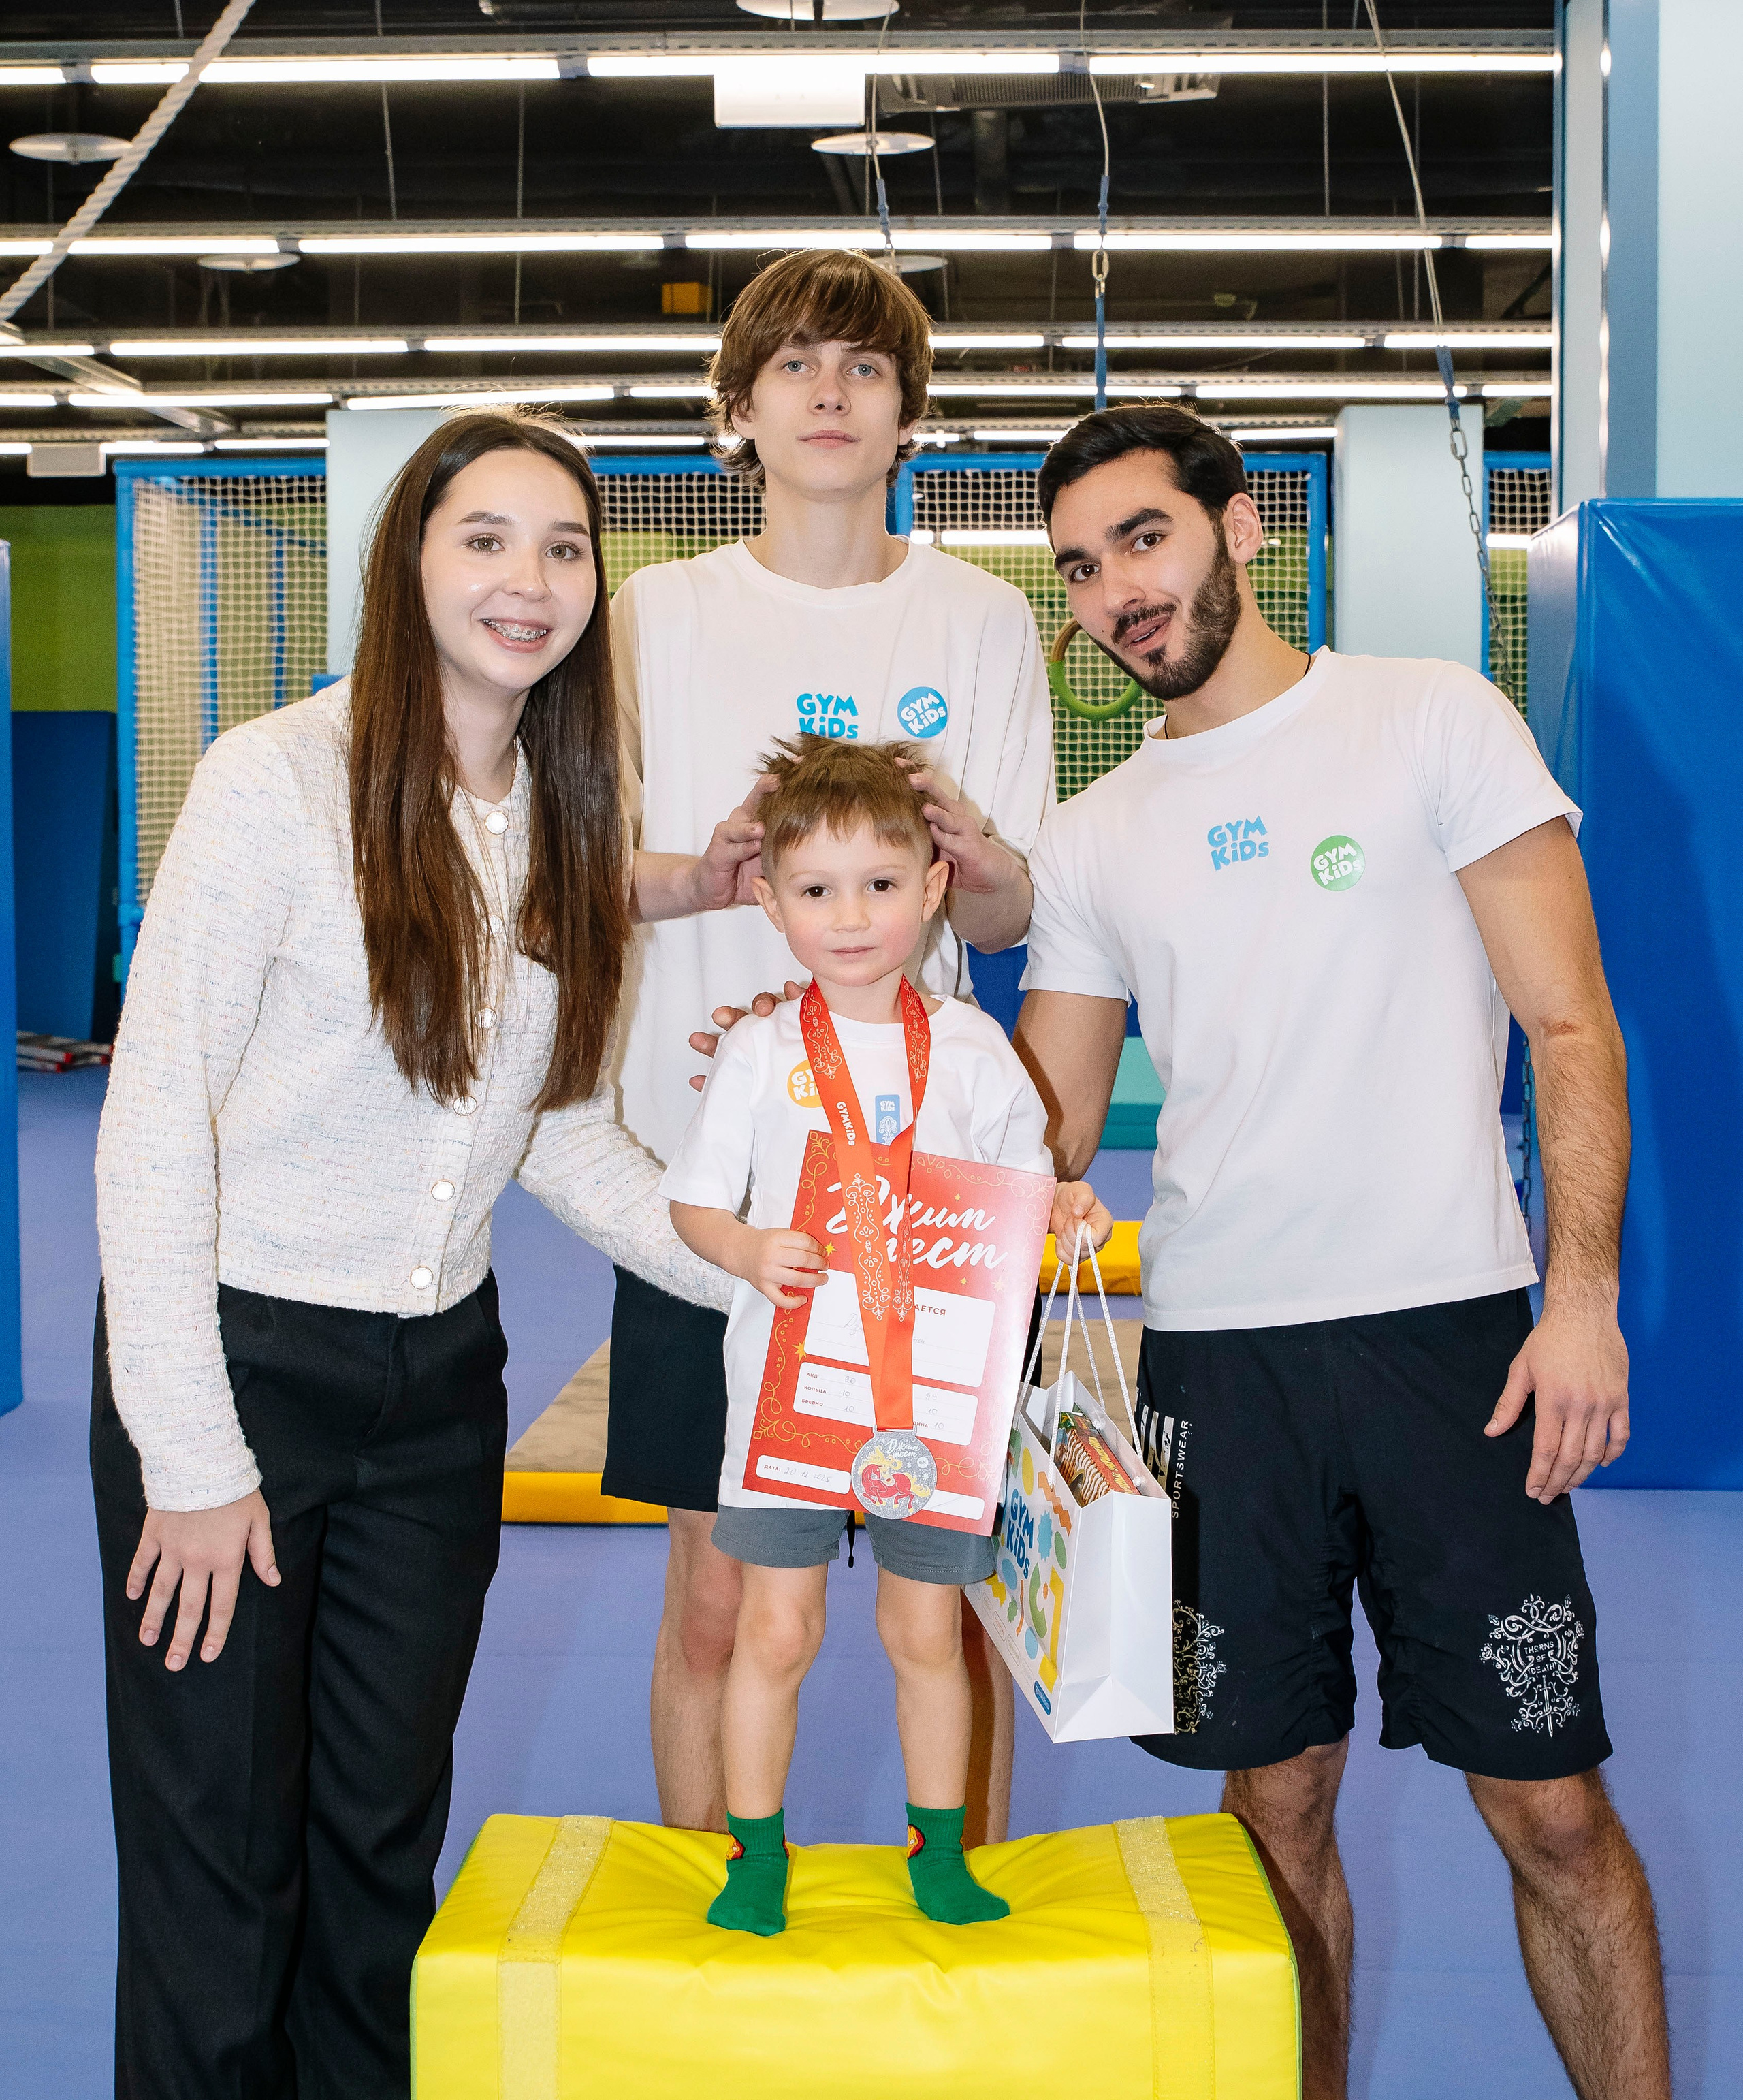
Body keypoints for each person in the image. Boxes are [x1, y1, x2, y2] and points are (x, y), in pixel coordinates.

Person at [91, 410, 759, 2100]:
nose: (525, 581)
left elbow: (552, 1131)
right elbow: (155, 1122)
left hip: (438, 1396)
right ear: (409, 562)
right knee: (219, 1862)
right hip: (239, 1376)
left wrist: (771, 1268)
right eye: (484, 539)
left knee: (383, 1844)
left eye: (559, 547)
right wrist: (190, 1453)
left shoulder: (557, 816)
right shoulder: (274, 782)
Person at [1009, 402, 1668, 2100]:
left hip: (1450, 1344)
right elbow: (1045, 1129)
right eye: (1078, 569)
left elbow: (1570, 1025)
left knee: (1549, 1806)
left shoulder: (1428, 719)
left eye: (1141, 538)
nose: (1114, 592)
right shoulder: (1095, 835)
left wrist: (1577, 1299)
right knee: (1269, 1807)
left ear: (1241, 528)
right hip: (1217, 1371)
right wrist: (833, 1066)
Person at [605, 247, 1055, 1839]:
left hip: (926, 1201)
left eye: (862, 368)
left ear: (907, 413)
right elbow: (573, 873)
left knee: (943, 1612)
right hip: (725, 1191)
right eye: (791, 366)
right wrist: (707, 874)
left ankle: (961, 1916)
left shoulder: (985, 619)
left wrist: (975, 844)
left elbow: (1003, 920)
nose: (826, 393)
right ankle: (708, 1905)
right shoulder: (649, 613)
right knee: (722, 1607)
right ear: (736, 410)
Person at [663, 735, 1109, 1935]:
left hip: (936, 1411)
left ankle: (939, 1853)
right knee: (776, 1626)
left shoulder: (970, 1047)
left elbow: (1025, 1187)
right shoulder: (760, 1053)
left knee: (930, 1633)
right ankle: (757, 1854)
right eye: (815, 890)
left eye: (878, 885)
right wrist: (750, 1250)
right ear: (768, 902)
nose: (850, 917)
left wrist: (1066, 1203)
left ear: (933, 888)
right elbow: (695, 1205)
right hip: (790, 1400)